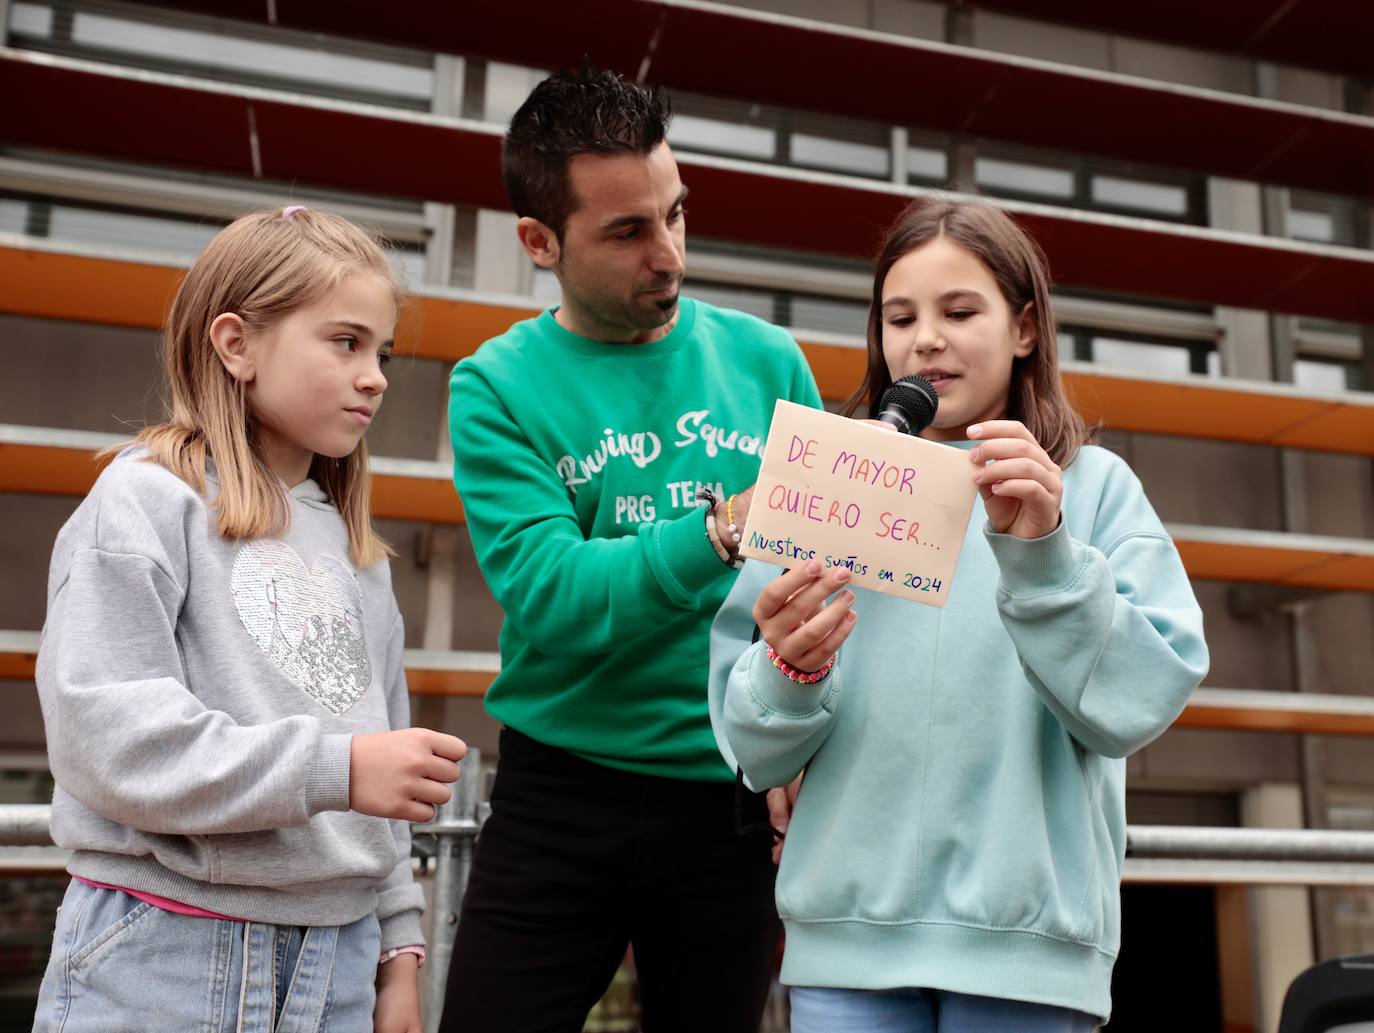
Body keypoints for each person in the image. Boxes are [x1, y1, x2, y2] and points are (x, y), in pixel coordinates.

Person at [709, 196, 1210, 1032]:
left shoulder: (1093, 488)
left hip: (1030, 950)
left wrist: (1046, 553)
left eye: (959, 310)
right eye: (898, 316)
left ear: (1024, 327)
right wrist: (791, 671)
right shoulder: (830, 483)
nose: (924, 338)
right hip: (845, 941)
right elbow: (751, 746)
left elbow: (1139, 702)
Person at [440, 65, 821, 1032]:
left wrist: (806, 748)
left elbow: (831, 581)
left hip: (734, 797)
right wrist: (717, 529)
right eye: (627, 231)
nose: (671, 254)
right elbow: (553, 596)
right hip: (559, 796)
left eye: (676, 214)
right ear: (538, 241)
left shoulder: (772, 363)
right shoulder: (495, 385)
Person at [32, 207, 467, 1033]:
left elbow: (381, 786)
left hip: (339, 962)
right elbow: (105, 737)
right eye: (345, 342)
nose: (374, 374)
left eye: (381, 351)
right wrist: (335, 768)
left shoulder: (359, 554)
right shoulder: (143, 501)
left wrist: (398, 952)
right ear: (235, 344)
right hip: (163, 952)